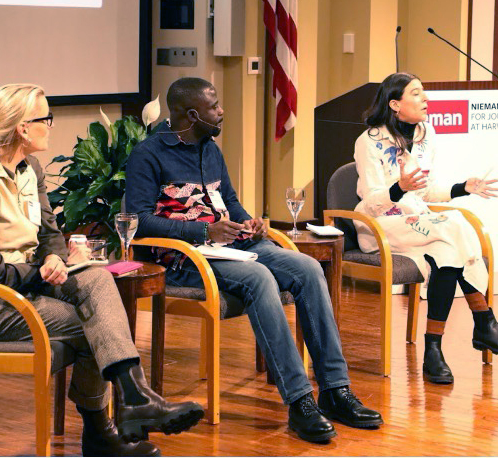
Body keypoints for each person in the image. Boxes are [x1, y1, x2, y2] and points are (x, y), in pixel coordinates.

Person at [0, 84, 203, 457]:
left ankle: (129, 405)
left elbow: (49, 232)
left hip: (18, 287)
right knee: (96, 321)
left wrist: (54, 257)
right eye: (46, 118)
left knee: (96, 280)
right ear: (23, 128)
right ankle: (107, 425)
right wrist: (43, 271)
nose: (50, 125)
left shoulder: (28, 167)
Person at [124, 77, 384, 444]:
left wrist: (250, 222)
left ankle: (335, 390)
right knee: (259, 277)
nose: (222, 111)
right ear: (194, 113)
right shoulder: (148, 154)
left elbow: (228, 202)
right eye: (215, 107)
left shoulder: (210, 149)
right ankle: (299, 401)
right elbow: (138, 221)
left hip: (229, 246)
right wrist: (203, 233)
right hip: (183, 259)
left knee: (309, 268)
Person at [352, 72, 498, 385]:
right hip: (381, 223)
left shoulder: (424, 133)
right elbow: (372, 201)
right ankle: (484, 322)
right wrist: (398, 187)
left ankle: (433, 351)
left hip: (418, 220)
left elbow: (426, 192)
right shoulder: (368, 142)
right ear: (395, 104)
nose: (426, 99)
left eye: (424, 92)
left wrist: (465, 187)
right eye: (417, 94)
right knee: (455, 224)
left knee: (448, 251)